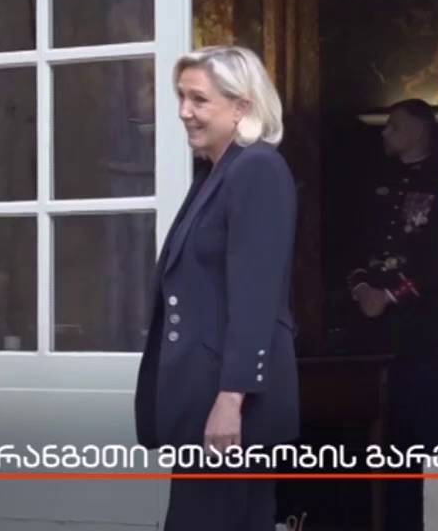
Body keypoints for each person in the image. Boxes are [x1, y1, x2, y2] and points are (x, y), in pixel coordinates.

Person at [134, 45, 300, 531]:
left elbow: (256, 297)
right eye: (181, 97)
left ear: (242, 106)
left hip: (231, 409)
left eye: (199, 99)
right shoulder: (216, 171)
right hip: (204, 401)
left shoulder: (257, 168)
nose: (184, 111)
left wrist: (231, 400)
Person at [345, 98, 438, 530]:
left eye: (394, 126)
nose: (385, 133)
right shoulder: (376, 181)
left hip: (421, 335)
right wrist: (362, 289)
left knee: (420, 441)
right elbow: (352, 243)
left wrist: (390, 295)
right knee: (377, 446)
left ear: (419, 130)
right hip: (371, 337)